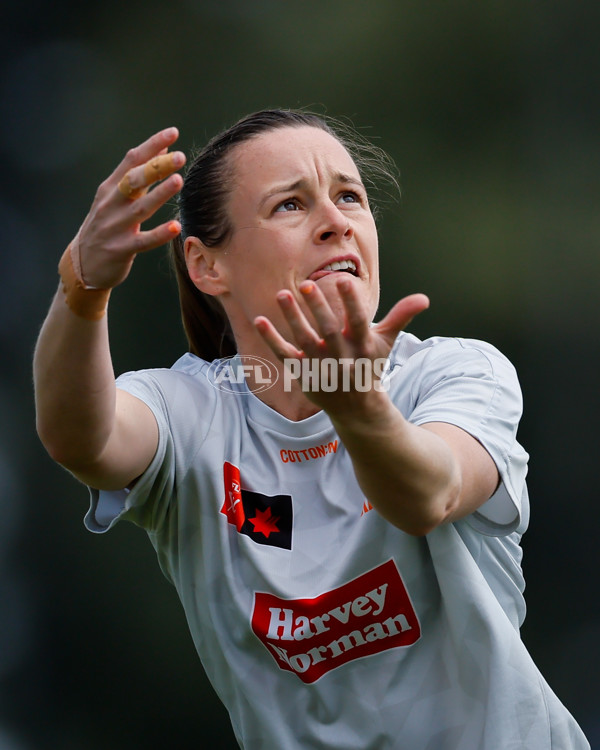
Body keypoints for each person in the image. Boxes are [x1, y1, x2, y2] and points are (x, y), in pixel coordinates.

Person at [34, 109, 590, 749]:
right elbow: (82, 438)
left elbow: (427, 493)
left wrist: (355, 409)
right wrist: (83, 288)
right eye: (290, 205)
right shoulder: (193, 412)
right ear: (206, 265)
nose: (336, 222)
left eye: (349, 196)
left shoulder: (455, 373)